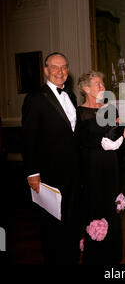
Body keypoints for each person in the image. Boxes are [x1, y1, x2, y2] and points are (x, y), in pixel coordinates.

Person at [22, 52, 81, 264]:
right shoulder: (35, 98)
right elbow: (29, 139)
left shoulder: (71, 96)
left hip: (74, 172)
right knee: (51, 223)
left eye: (64, 67)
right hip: (49, 173)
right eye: (55, 67)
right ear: (46, 70)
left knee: (72, 218)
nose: (60, 71)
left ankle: (71, 257)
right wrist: (32, 173)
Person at [77, 70, 125, 264]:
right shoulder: (78, 113)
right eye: (98, 84)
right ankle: (95, 255)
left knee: (111, 209)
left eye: (103, 84)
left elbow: (118, 133)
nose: (103, 88)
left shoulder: (111, 110)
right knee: (94, 208)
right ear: (86, 88)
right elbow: (79, 143)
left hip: (110, 167)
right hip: (90, 169)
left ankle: (113, 256)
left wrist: (121, 135)